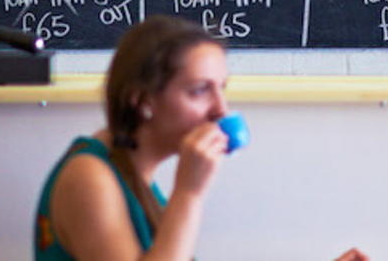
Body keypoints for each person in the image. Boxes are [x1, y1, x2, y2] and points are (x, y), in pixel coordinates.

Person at [35, 14, 369, 261]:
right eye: (199, 91)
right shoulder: (89, 178)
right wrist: (190, 192)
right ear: (142, 99)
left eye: (221, 89)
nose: (221, 110)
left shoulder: (136, 176)